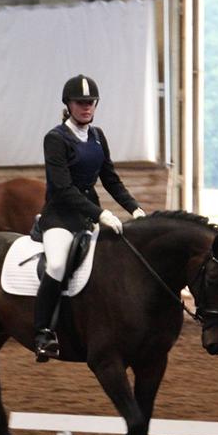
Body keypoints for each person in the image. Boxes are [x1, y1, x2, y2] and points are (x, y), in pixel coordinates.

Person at [32, 74, 146, 361]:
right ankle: (43, 332)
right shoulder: (55, 138)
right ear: (68, 105)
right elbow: (62, 187)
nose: (86, 107)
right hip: (60, 217)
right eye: (80, 103)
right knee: (57, 264)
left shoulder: (97, 136)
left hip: (88, 218)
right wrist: (101, 213)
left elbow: (110, 178)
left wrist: (134, 208)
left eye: (90, 102)